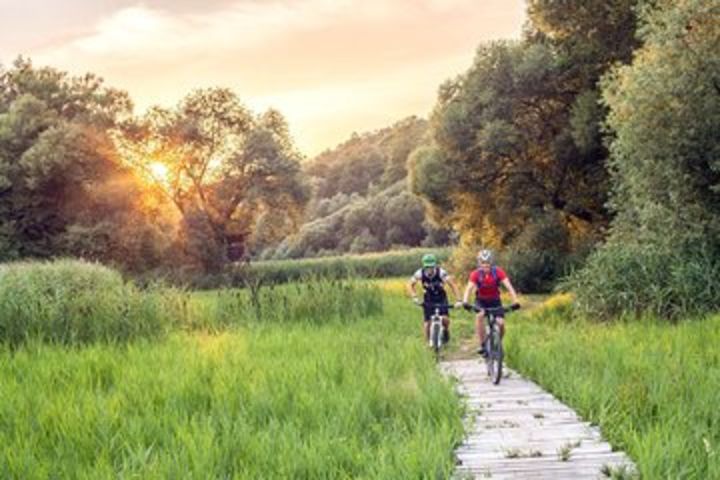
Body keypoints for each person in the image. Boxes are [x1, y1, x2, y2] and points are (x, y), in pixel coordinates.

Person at [462, 249, 520, 356]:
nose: (485, 266)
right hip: (481, 301)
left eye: (487, 263)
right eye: (483, 263)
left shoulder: (498, 272)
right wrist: (465, 301)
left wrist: (515, 300)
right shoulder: (475, 274)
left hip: (495, 301)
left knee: (501, 323)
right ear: (479, 263)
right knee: (480, 315)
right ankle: (482, 344)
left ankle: (497, 341)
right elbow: (468, 289)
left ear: (491, 263)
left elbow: (509, 286)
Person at [407, 253, 462, 345]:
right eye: (427, 267)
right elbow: (410, 284)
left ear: (435, 265)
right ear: (424, 266)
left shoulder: (441, 272)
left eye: (431, 267)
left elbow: (453, 285)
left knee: (445, 319)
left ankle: (445, 331)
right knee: (427, 323)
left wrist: (459, 300)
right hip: (428, 299)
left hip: (441, 298)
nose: (429, 269)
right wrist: (414, 296)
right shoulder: (419, 273)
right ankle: (428, 344)